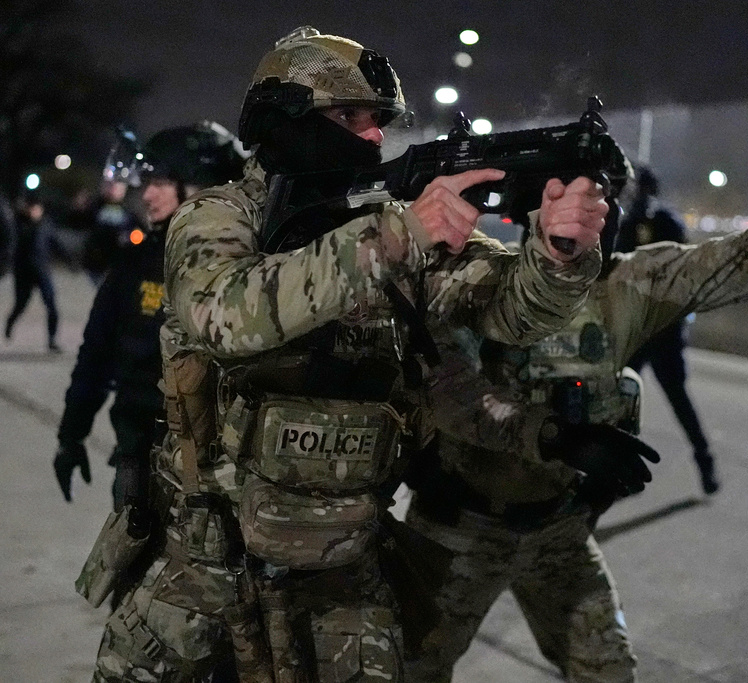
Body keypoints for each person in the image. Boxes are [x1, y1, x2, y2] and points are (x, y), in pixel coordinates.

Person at [88, 25, 607, 682]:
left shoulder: (393, 223)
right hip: (206, 571)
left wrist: (560, 252)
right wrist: (397, 235)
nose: (370, 136)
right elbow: (224, 314)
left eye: (378, 121)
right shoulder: (221, 216)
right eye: (349, 115)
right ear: (285, 118)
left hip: (342, 579)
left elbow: (509, 308)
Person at [402, 149, 748, 683]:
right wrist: (555, 437)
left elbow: (738, 260)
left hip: (557, 530)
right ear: (534, 212)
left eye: (604, 200)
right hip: (458, 526)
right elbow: (452, 397)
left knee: (608, 671)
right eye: (573, 199)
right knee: (408, 668)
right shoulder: (471, 284)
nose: (594, 214)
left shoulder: (627, 284)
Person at [52, 121, 247, 512]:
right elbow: (96, 354)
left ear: (198, 187)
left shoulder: (244, 266)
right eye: (148, 182)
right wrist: (71, 436)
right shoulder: (136, 263)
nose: (148, 193)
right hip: (140, 457)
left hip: (224, 471)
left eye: (161, 181)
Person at [617, 166, 718, 494]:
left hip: (660, 326)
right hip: (642, 325)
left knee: (670, 397)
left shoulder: (658, 223)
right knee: (626, 400)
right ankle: (627, 471)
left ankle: (704, 459)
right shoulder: (635, 222)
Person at [4, 190, 60, 351]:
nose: (34, 211)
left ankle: (52, 340)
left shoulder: (46, 224)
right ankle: (10, 322)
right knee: (21, 304)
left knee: (51, 306)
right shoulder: (17, 224)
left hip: (42, 271)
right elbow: (10, 245)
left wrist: (71, 260)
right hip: (24, 273)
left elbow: (56, 243)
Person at [73, 178, 144, 283]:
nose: (113, 189)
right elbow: (78, 223)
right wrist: (78, 209)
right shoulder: (94, 206)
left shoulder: (129, 210)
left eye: (117, 186)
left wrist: (131, 238)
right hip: (96, 262)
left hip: (119, 261)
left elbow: (139, 232)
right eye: (110, 185)